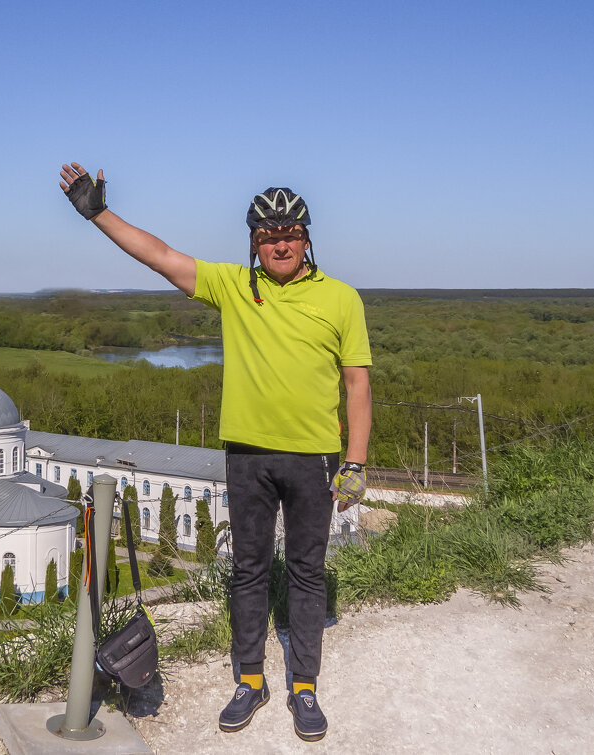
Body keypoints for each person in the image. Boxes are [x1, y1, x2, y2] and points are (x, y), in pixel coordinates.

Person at [59, 163, 372, 741]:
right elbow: (161, 256)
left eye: (290, 233)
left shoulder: (341, 299)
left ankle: (304, 687)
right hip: (247, 456)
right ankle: (249, 681)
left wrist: (354, 463)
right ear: (254, 243)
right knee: (249, 572)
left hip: (315, 459)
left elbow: (357, 383)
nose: (280, 243)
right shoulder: (235, 286)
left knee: (307, 573)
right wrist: (98, 213)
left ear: (307, 239)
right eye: (267, 235)